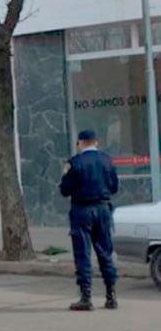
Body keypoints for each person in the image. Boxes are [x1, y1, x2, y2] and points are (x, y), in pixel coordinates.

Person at [60, 130, 120, 311]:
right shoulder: (107, 160)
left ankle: (86, 296)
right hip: (103, 209)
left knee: (82, 253)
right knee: (105, 251)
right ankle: (111, 295)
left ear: (80, 143)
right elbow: (114, 187)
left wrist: (65, 174)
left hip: (82, 211)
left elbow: (65, 190)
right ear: (96, 142)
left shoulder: (75, 163)